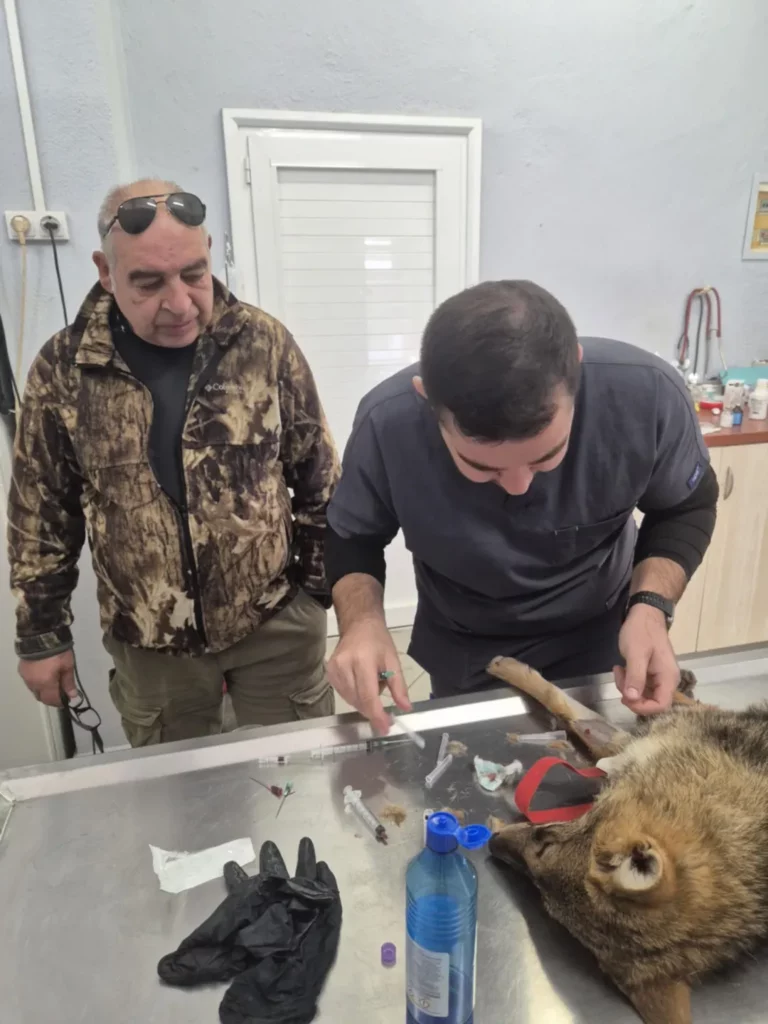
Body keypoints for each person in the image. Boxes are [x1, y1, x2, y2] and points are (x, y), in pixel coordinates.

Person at [9, 178, 339, 746]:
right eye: (149, 282)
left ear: (208, 251)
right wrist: (42, 638)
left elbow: (320, 478)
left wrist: (319, 594)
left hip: (274, 625)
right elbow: (40, 515)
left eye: (194, 273)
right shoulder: (64, 368)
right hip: (150, 644)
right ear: (106, 271)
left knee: (299, 775)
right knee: (178, 792)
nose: (181, 303)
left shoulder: (263, 343)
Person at [325, 280, 718, 734]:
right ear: (426, 399)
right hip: (467, 647)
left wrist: (650, 607)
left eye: (546, 457)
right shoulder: (387, 423)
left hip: (602, 636)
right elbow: (353, 536)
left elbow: (686, 506)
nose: (518, 486)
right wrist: (361, 622)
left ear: (575, 371)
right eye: (482, 468)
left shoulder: (646, 397)